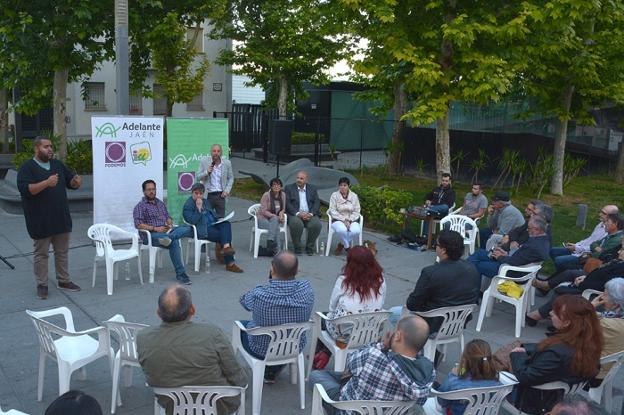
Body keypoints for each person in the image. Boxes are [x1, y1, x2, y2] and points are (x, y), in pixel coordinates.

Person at [137, 284, 247, 415]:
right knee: (243, 373)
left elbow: (150, 375)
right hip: (218, 405)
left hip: (171, 404)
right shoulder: (212, 334)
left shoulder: (143, 338)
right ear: (192, 310)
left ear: (158, 313)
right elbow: (236, 376)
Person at [309, 315, 434, 415]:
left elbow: (350, 363)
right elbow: (420, 401)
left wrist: (381, 345)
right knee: (346, 376)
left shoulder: (374, 355)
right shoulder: (427, 373)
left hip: (349, 410)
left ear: (398, 336)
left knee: (316, 376)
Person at [507, 295, 602, 414]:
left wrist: (516, 355)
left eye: (556, 312)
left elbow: (526, 376)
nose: (551, 313)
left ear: (567, 322)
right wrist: (526, 349)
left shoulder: (556, 353)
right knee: (518, 344)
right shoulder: (589, 343)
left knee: (500, 356)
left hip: (532, 401)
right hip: (558, 392)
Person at [17, 136, 83, 299]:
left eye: (51, 146)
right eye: (46, 146)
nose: (50, 149)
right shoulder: (27, 168)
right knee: (41, 254)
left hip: (61, 218)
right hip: (40, 220)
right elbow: (27, 190)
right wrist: (47, 182)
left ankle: (64, 280)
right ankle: (42, 284)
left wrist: (76, 182)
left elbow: (71, 183)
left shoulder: (57, 165)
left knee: (62, 252)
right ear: (36, 149)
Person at [239, 251, 315, 382]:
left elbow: (244, 302)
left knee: (242, 325)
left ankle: (267, 369)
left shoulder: (260, 293)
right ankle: (274, 369)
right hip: (294, 346)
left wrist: (270, 280)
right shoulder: (306, 288)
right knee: (283, 331)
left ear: (272, 269)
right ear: (297, 270)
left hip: (261, 349)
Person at [390, 230, 480, 332]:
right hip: (458, 323)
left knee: (393, 313)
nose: (434, 247)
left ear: (443, 250)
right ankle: (429, 347)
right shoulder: (472, 268)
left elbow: (412, 304)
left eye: (436, 244)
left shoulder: (430, 272)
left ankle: (412, 345)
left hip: (434, 324)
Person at [526, 246, 624, 326]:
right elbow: (601, 265)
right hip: (591, 281)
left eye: (622, 249)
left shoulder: (621, 268)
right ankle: (547, 288)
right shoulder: (619, 262)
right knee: (570, 273)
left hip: (596, 293)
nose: (619, 251)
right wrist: (586, 277)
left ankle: (541, 315)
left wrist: (582, 283)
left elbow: (604, 286)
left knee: (562, 291)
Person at [133, 180, 193, 284]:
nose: (152, 191)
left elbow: (167, 216)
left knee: (188, 227)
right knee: (173, 242)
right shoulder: (140, 206)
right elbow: (138, 224)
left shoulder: (160, 203)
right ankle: (181, 275)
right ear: (144, 191)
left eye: (153, 189)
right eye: (149, 190)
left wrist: (169, 222)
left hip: (166, 232)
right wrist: (155, 228)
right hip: (151, 235)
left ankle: (170, 236)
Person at [422, 339, 501, 415]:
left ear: (466, 359)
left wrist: (453, 374)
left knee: (425, 404)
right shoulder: (497, 380)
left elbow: (441, 402)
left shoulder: (455, 381)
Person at [326, 246, 386, 343]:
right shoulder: (380, 280)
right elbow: (382, 302)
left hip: (345, 336)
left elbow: (332, 306)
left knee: (323, 318)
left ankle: (323, 354)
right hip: (370, 331)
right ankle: (324, 353)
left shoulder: (343, 281)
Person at [182, 183, 243, 273]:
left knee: (226, 224)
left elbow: (211, 213)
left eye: (201, 193)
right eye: (196, 193)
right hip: (203, 228)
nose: (198, 196)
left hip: (213, 224)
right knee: (224, 235)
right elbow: (192, 221)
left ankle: (226, 248)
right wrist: (198, 209)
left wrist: (219, 218)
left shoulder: (205, 201)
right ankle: (230, 263)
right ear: (192, 193)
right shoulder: (188, 205)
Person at [468, 215, 550, 282]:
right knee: (479, 253)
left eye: (529, 228)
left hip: (511, 271)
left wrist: (500, 257)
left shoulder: (534, 245)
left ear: (537, 229)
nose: (527, 230)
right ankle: (464, 277)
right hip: (513, 263)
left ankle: (471, 292)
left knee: (478, 265)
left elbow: (514, 262)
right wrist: (505, 254)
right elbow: (521, 258)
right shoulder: (543, 240)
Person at [549, 205, 619, 272]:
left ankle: (560, 276)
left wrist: (577, 247)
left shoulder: (609, 230)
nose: (600, 214)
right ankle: (560, 274)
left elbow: (596, 248)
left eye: (603, 213)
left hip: (586, 255)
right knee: (553, 251)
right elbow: (590, 240)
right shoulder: (600, 224)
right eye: (601, 212)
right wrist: (576, 245)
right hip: (579, 249)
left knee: (559, 260)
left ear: (612, 217)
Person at [590, 278, 624, 384]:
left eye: (605, 294)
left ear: (616, 304)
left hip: (594, 370)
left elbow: (571, 326)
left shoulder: (608, 325)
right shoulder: (617, 318)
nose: (601, 297)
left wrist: (589, 307)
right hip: (608, 368)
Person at [284, 170, 322, 255]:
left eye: (301, 178)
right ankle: (297, 247)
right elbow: (287, 203)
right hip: (295, 214)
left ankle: (310, 247)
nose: (299, 180)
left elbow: (317, 202)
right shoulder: (289, 188)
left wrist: (311, 214)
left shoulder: (312, 188)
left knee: (316, 224)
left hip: (309, 214)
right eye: (297, 178)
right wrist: (298, 214)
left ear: (306, 180)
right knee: (297, 224)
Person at [196, 144, 234, 218]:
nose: (216, 153)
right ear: (211, 152)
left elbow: (231, 178)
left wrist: (227, 190)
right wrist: (206, 172)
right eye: (214, 151)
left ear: (221, 153)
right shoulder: (204, 161)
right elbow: (198, 177)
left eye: (218, 151)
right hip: (208, 195)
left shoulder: (227, 163)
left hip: (221, 196)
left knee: (221, 220)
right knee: (207, 218)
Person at [328, 177, 362, 255]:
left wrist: (349, 220)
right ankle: (347, 247)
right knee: (341, 230)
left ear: (348, 186)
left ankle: (341, 244)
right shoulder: (334, 195)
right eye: (341, 185)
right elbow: (332, 210)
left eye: (345, 185)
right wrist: (344, 220)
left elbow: (357, 211)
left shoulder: (354, 196)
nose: (342, 187)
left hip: (351, 219)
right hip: (338, 219)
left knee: (356, 230)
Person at [258, 177, 287, 255]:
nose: (276, 187)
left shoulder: (283, 195)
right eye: (274, 185)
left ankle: (271, 244)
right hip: (263, 219)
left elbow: (283, 209)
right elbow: (263, 211)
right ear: (271, 186)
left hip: (275, 220)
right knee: (276, 228)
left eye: (278, 185)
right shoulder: (266, 195)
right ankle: (278, 250)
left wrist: (281, 214)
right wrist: (274, 216)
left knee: (275, 224)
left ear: (281, 186)